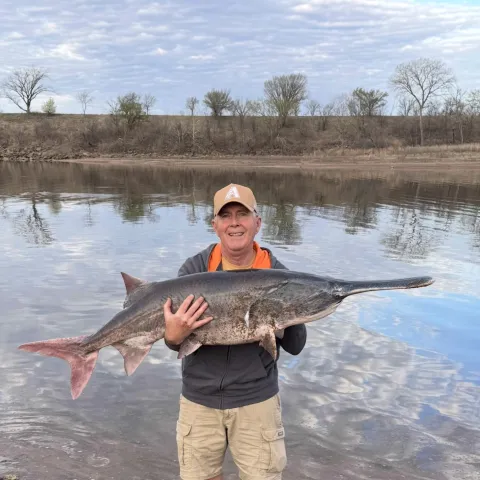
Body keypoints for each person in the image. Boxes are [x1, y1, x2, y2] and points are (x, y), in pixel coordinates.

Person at [163, 183, 307, 480]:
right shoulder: (195, 269)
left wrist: (285, 317)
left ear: (257, 222)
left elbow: (296, 345)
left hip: (257, 401)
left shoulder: (279, 274)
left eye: (242, 214)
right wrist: (172, 337)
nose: (234, 223)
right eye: (225, 216)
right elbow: (175, 340)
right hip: (199, 399)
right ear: (215, 225)